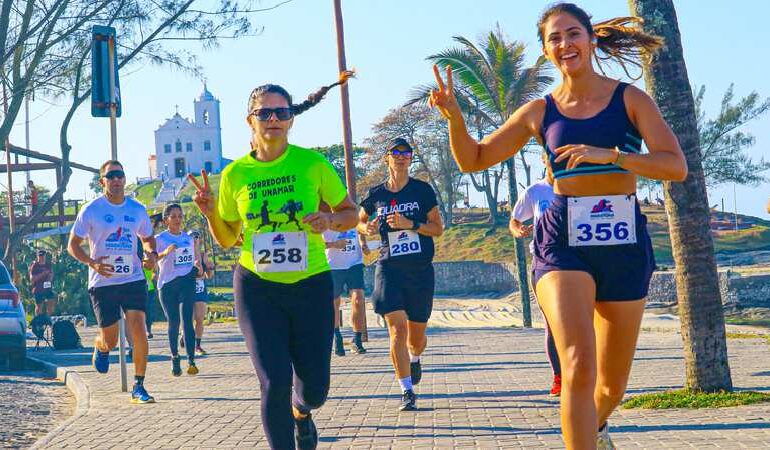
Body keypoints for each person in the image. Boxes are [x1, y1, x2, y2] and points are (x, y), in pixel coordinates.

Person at [429, 3, 687, 448]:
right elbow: (473, 159)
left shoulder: (630, 99)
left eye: (573, 34)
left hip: (623, 237)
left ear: (589, 39)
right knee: (577, 364)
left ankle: (595, 428)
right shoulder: (539, 111)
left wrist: (615, 156)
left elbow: (674, 166)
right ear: (545, 50)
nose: (565, 44)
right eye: (555, 38)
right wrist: (455, 117)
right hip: (562, 239)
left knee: (610, 387)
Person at [188, 73, 358, 450]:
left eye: (281, 112)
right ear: (250, 120)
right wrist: (211, 213)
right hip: (257, 286)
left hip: (311, 283)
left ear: (291, 118)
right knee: (274, 381)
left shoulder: (312, 164)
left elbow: (351, 212)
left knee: (314, 388)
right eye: (264, 113)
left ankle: (302, 412)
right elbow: (229, 237)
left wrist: (330, 220)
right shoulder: (235, 174)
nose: (273, 119)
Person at [358, 138, 444, 412]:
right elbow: (358, 221)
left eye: (406, 153)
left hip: (419, 270)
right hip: (388, 267)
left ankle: (415, 357)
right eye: (396, 153)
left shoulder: (422, 191)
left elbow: (437, 228)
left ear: (411, 159)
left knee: (415, 338)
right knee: (397, 328)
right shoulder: (376, 195)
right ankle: (407, 391)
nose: (402, 157)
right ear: (387, 158)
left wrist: (412, 224)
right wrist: (367, 229)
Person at [67, 160, 158, 404]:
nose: (117, 180)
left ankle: (139, 386)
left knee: (137, 327)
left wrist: (151, 254)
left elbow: (148, 237)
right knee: (111, 337)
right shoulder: (91, 210)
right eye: (112, 176)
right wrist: (92, 262)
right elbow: (73, 245)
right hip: (103, 280)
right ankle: (101, 347)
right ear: (102, 181)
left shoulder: (137, 209)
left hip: (133, 278)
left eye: (120, 175)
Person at [509, 153, 560, 396]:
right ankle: (559, 377)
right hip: (544, 262)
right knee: (552, 323)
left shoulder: (580, 188)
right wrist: (519, 230)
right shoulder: (535, 192)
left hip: (580, 262)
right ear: (544, 160)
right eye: (552, 157)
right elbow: (514, 220)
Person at [155, 203, 199, 376]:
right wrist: (165, 252)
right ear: (166, 220)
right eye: (173, 216)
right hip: (167, 285)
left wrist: (199, 267)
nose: (178, 219)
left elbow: (193, 259)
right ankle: (174, 356)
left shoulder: (187, 238)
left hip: (186, 281)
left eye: (180, 216)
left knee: (187, 320)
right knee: (173, 322)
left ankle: (191, 359)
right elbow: (150, 259)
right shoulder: (160, 239)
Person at [322, 226, 369, 356]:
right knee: (335, 303)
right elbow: (313, 243)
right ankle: (337, 336)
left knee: (359, 299)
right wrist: (333, 244)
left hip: (355, 263)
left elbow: (361, 229)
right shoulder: (326, 216)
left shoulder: (352, 211)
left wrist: (363, 244)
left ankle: (357, 339)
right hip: (333, 266)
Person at [191, 230, 213, 356]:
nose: (194, 239)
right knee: (189, 319)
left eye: (197, 237)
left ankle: (198, 345)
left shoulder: (203, 255)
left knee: (199, 318)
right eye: (192, 237)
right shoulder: (185, 253)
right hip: (187, 288)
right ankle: (184, 334)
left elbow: (209, 275)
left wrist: (210, 268)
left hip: (200, 288)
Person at [29, 250, 55, 316]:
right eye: (40, 256)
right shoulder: (35, 266)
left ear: (45, 256)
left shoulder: (48, 265)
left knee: (51, 302)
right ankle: (39, 321)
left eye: (43, 256)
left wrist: (50, 277)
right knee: (39, 306)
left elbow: (51, 274)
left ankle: (49, 318)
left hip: (47, 287)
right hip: (38, 288)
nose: (41, 257)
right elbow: (32, 279)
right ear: (37, 256)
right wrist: (43, 274)